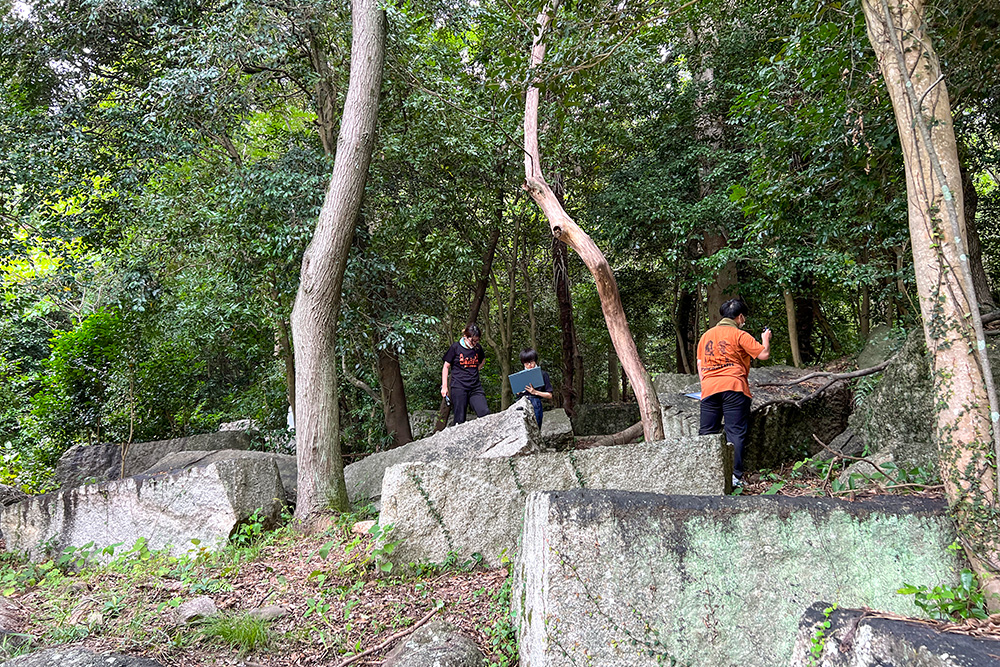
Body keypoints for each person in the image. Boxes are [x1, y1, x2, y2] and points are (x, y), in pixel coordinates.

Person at [697, 298, 772, 488]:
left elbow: (700, 363)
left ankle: (706, 474)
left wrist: (705, 383)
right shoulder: (739, 335)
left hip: (709, 388)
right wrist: (765, 340)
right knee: (735, 432)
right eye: (743, 317)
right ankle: (734, 476)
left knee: (707, 432)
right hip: (734, 387)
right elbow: (763, 354)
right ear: (739, 317)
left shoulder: (706, 336)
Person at [441, 324, 490, 425]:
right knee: (460, 419)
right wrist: (445, 386)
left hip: (475, 386)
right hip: (459, 386)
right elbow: (446, 366)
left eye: (477, 340)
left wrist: (476, 369)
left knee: (484, 412)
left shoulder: (477, 348)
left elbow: (483, 359)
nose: (475, 343)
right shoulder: (455, 347)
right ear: (466, 337)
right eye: (473, 341)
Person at [516, 348, 552, 427]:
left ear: (535, 361)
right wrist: (518, 391)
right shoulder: (520, 375)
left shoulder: (543, 374)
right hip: (521, 402)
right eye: (526, 363)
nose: (529, 365)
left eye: (531, 362)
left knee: (536, 426)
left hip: (535, 402)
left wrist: (535, 392)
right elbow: (517, 393)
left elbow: (549, 395)